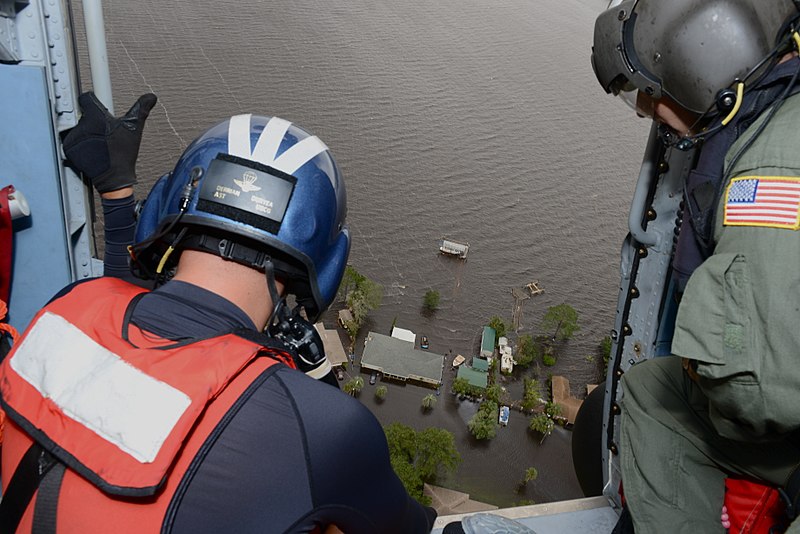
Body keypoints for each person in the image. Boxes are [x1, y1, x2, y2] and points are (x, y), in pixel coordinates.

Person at [0, 92, 436, 533]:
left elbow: (121, 318)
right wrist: (322, 387)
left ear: (165, 208)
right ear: (326, 261)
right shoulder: (325, 429)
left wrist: (117, 196)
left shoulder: (69, 305)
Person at [592, 1, 800, 532]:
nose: (651, 108)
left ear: (707, 63)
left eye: (658, 90)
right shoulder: (774, 115)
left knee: (661, 395)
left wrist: (699, 358)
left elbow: (758, 391)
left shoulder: (770, 167)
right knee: (649, 394)